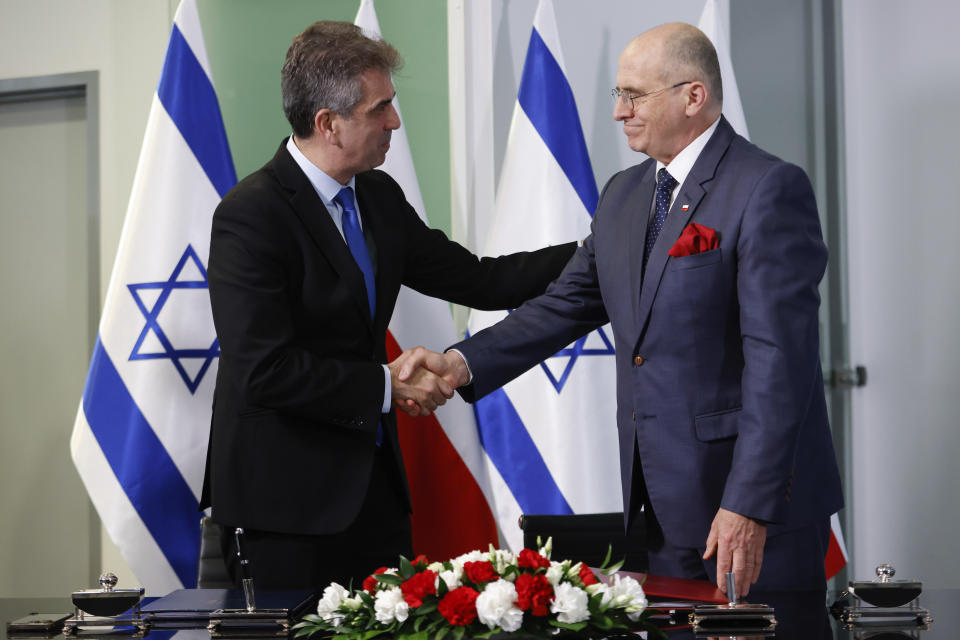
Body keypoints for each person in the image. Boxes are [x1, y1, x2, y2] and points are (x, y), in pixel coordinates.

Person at [398, 22, 843, 598]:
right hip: (658, 503)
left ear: (693, 96)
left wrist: (748, 504)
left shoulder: (766, 188)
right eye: (619, 95)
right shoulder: (624, 195)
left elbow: (780, 365)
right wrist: (459, 364)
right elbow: (568, 303)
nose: (619, 112)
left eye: (634, 96)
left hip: (749, 510)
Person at [200, 21, 575, 590]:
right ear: (328, 123)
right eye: (380, 110)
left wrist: (601, 251)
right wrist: (386, 386)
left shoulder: (378, 196)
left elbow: (482, 281)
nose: (394, 122)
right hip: (284, 512)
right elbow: (263, 370)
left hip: (373, 499)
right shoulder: (250, 216)